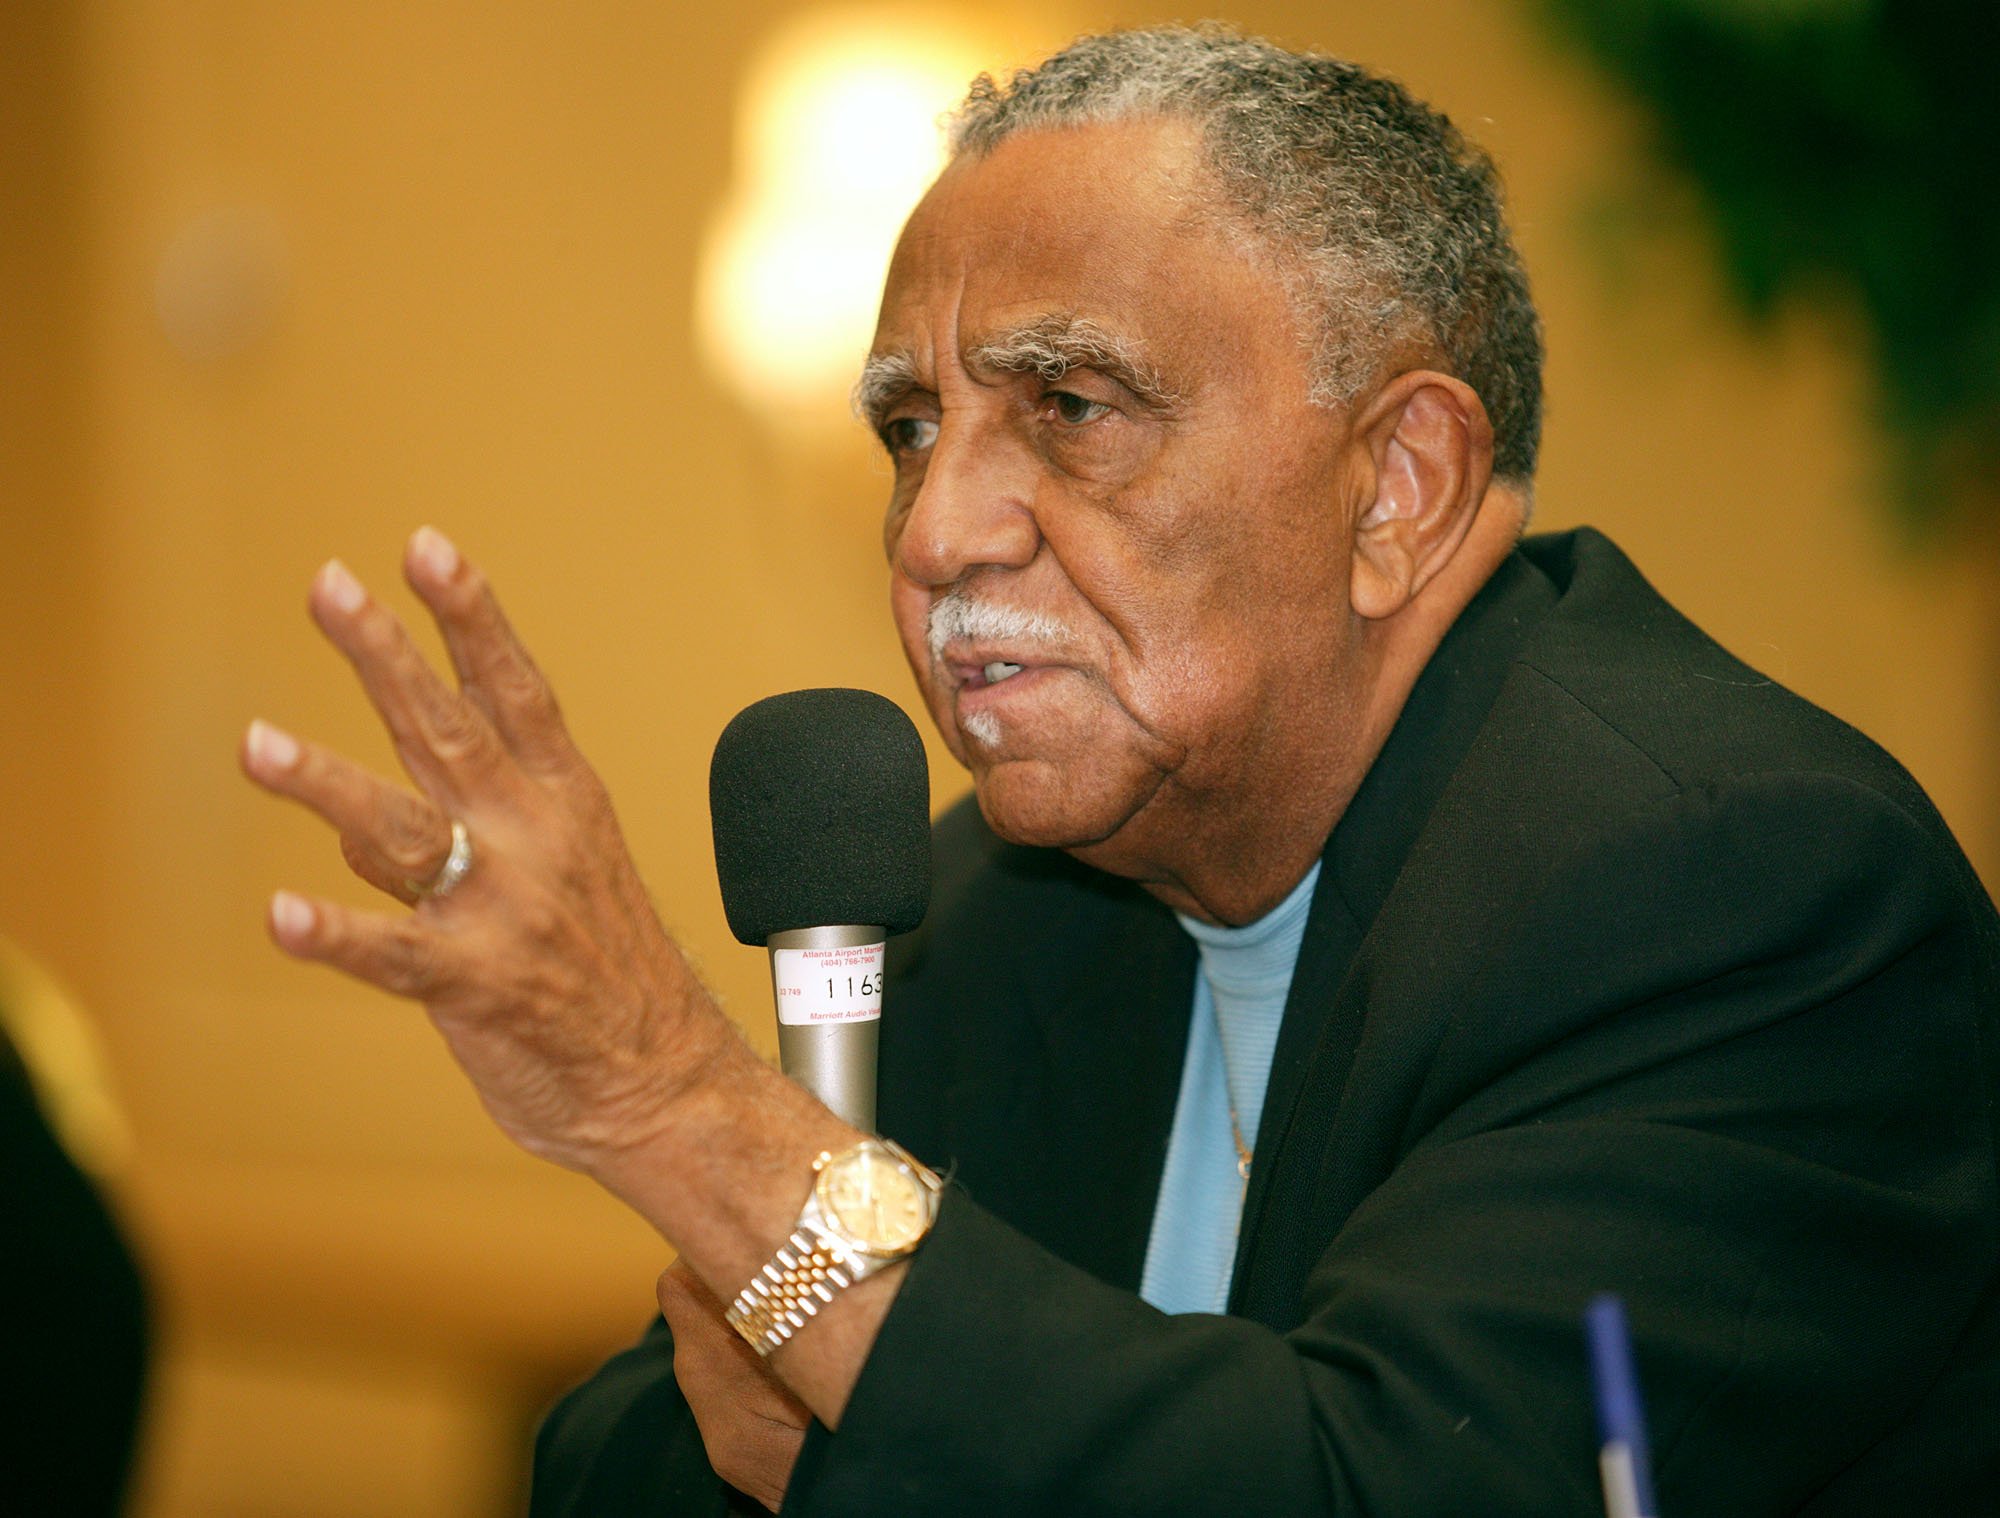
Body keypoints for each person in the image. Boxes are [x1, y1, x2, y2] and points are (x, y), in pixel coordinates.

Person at [241, 25, 2000, 1517]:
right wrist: (793, 1273)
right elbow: (627, 1459)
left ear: (1398, 488)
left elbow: (1364, 1485)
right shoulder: (1018, 910)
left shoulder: (1729, 882)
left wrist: (674, 1101)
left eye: (1072, 408)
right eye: (910, 432)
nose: (935, 534)